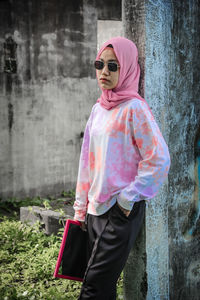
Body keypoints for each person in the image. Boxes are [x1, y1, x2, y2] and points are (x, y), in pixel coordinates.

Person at [73, 37, 170, 300]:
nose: (104, 72)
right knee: (102, 287)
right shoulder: (98, 108)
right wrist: (80, 209)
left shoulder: (134, 109)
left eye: (112, 66)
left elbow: (158, 159)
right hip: (95, 210)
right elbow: (87, 161)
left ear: (126, 68)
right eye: (100, 64)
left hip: (119, 211)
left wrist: (127, 198)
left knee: (93, 288)